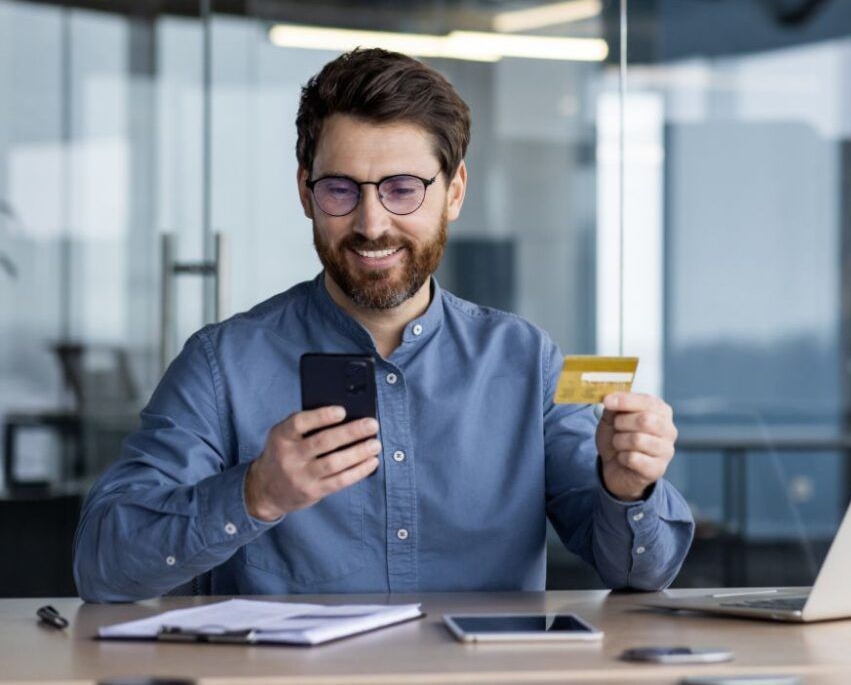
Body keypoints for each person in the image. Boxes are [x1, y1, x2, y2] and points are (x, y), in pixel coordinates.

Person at [73, 48, 695, 602]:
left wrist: (629, 487)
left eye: (403, 189)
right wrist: (254, 494)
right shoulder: (222, 363)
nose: (371, 224)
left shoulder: (525, 360)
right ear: (305, 191)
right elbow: (103, 566)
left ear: (453, 193)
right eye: (341, 190)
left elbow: (642, 575)